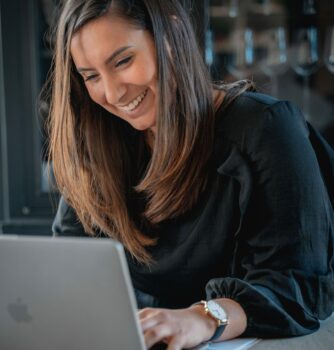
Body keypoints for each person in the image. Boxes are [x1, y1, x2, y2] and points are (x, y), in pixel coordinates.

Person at [47, 0, 334, 349]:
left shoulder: (266, 129)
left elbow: (295, 287)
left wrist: (202, 318)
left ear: (171, 33)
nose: (112, 93)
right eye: (91, 76)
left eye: (123, 61)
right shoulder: (99, 144)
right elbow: (69, 269)